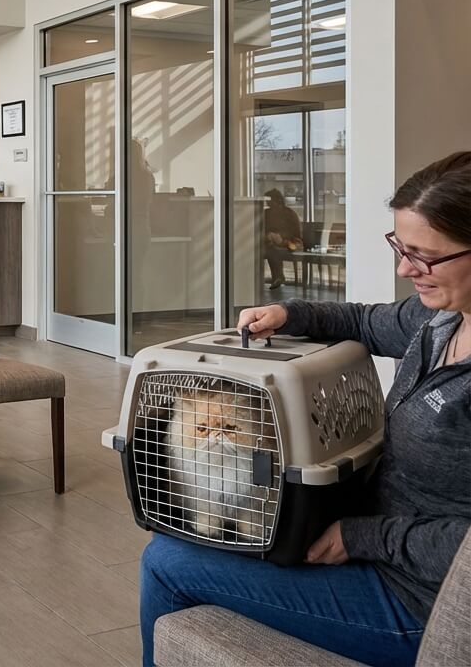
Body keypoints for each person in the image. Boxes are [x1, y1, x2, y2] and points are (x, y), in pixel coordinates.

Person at [138, 151, 471, 667]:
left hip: (419, 599)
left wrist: (362, 537)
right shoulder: (444, 321)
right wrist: (288, 313)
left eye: (424, 255)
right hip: (376, 536)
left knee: (166, 561)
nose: (405, 269)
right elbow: (364, 321)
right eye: (400, 248)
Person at [263, 188, 304, 290]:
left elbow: (296, 233)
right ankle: (276, 277)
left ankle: (278, 277)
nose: (269, 205)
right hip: (272, 243)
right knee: (269, 249)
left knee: (273, 251)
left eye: (271, 202)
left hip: (291, 244)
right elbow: (262, 229)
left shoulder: (289, 214)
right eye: (268, 203)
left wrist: (281, 239)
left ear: (278, 201)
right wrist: (269, 236)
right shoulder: (266, 214)